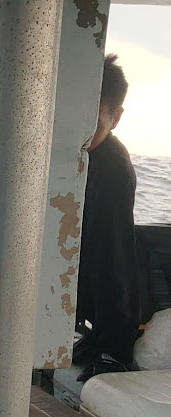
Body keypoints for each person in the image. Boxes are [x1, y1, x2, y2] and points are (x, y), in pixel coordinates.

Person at [74, 53, 140, 381]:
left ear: (116, 118)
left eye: (94, 122)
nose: (81, 133)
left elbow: (113, 260)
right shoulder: (73, 155)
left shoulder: (112, 168)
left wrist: (113, 348)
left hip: (102, 300)